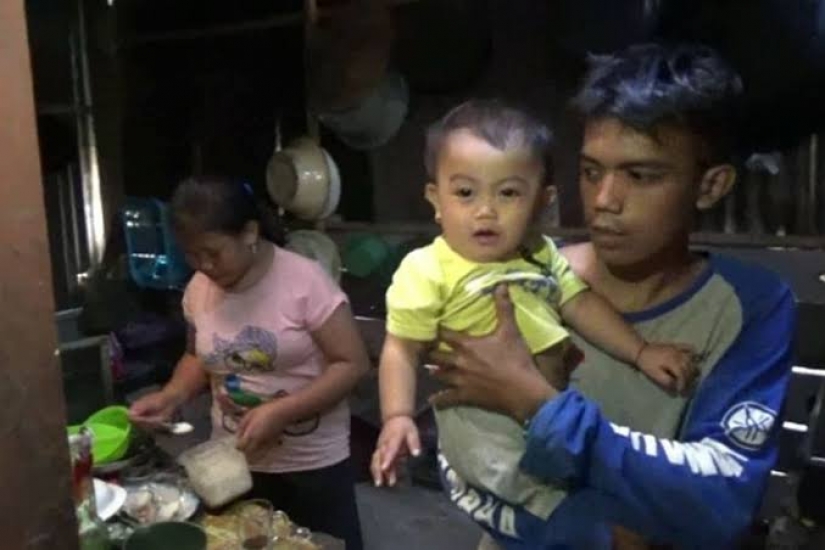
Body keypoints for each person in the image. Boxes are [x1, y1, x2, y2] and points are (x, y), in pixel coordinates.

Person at [427, 44, 797, 549]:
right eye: (591, 172)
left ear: (710, 186)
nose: (604, 201)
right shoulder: (514, 280)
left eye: (641, 176)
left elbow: (719, 501)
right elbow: (461, 457)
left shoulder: (750, 307)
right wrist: (599, 536)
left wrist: (537, 405)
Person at [370, 100, 697, 520]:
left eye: (508, 193)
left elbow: (580, 303)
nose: (485, 210)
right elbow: (401, 348)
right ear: (436, 199)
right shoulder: (428, 269)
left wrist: (641, 351)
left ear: (542, 201)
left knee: (582, 480)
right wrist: (397, 415)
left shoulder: (541, 254)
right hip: (482, 421)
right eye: (465, 192)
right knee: (551, 512)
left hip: (547, 407)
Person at [128, 177, 369, 549]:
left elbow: (351, 364)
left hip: (311, 465)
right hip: (231, 465)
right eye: (192, 254)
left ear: (249, 233)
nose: (204, 265)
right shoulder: (199, 288)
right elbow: (197, 355)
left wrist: (283, 411)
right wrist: (172, 395)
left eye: (213, 252)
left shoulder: (305, 281)